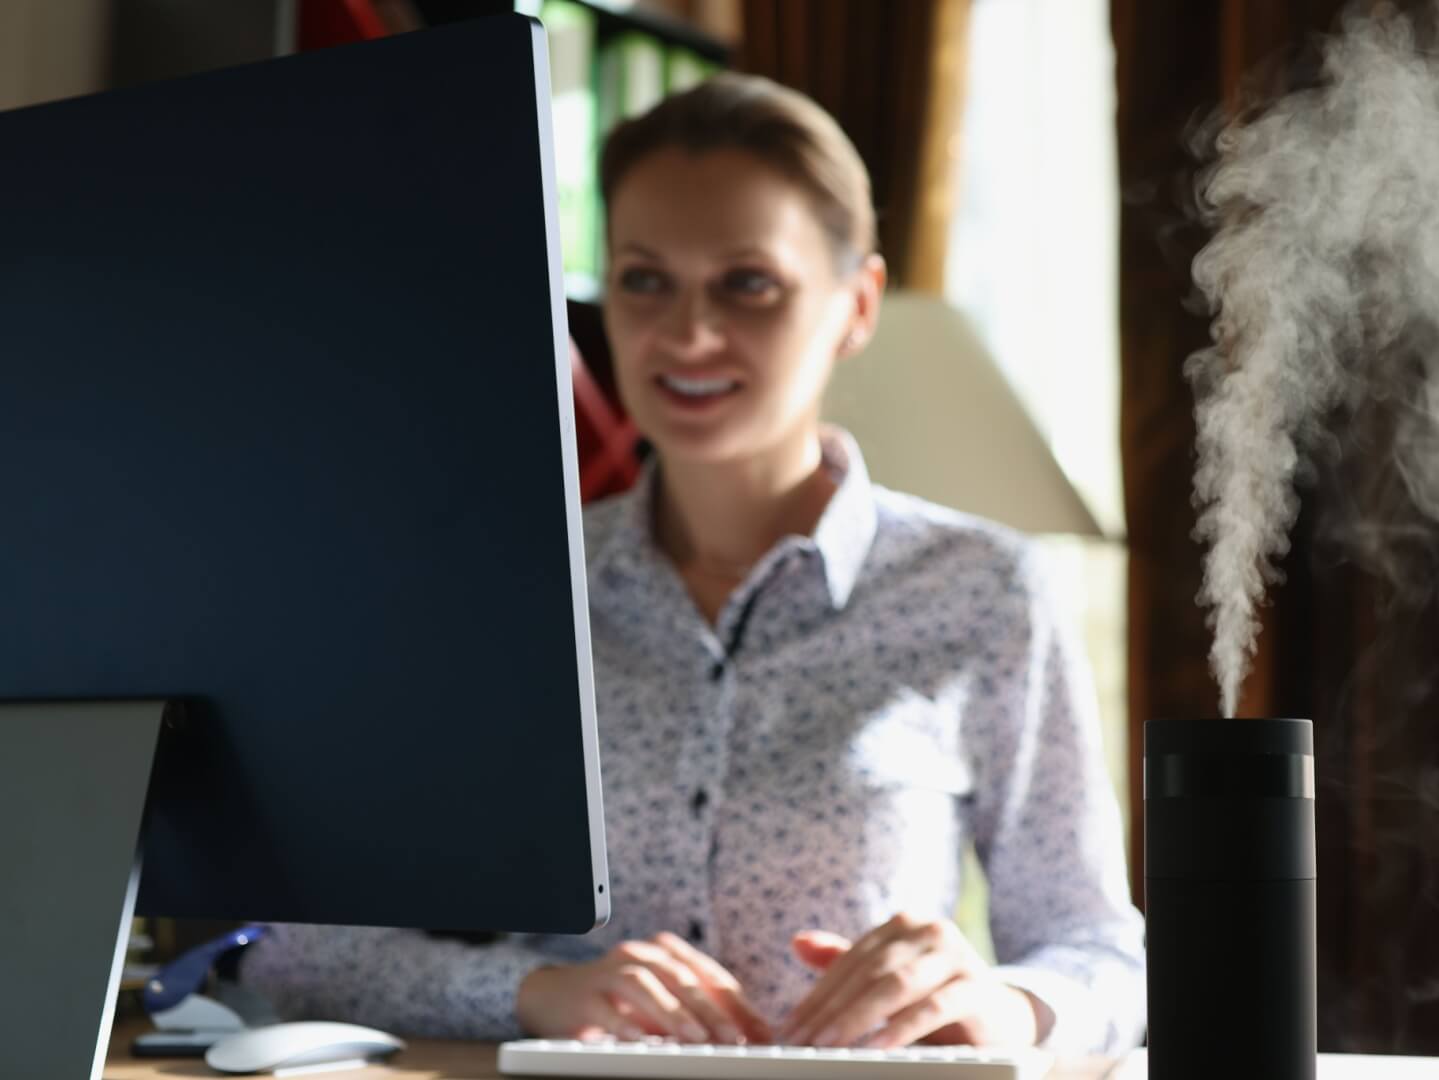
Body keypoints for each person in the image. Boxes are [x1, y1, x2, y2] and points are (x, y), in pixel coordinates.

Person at [240, 72, 1145, 1058]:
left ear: (857, 303)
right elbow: (293, 954)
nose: (685, 335)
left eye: (746, 284)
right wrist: (540, 991)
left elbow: (1099, 955)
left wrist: (1001, 1006)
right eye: (644, 279)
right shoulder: (513, 597)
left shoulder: (984, 591)